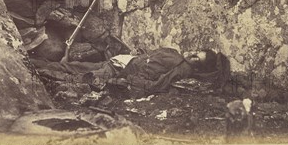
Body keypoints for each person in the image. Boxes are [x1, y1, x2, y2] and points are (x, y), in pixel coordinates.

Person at [85, 47, 231, 97]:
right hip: (124, 60)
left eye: (197, 59)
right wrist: (141, 53)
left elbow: (160, 85)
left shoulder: (183, 68)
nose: (192, 56)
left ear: (199, 67)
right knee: (78, 65)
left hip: (120, 69)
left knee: (81, 75)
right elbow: (154, 59)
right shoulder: (177, 55)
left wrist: (129, 80)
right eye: (196, 53)